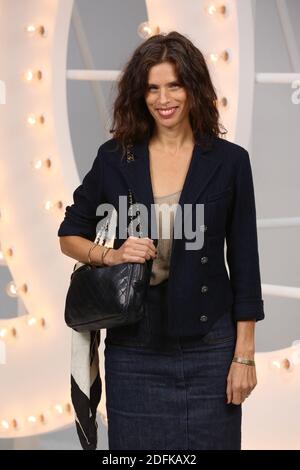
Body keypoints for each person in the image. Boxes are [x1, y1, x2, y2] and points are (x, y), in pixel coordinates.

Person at [58, 31, 265, 450]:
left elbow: (245, 265)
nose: (163, 98)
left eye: (174, 85)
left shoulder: (230, 162)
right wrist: (110, 254)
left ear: (193, 88)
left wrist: (244, 356)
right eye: (152, 88)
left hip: (212, 343)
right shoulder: (115, 158)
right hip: (134, 346)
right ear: (140, 94)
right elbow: (69, 235)